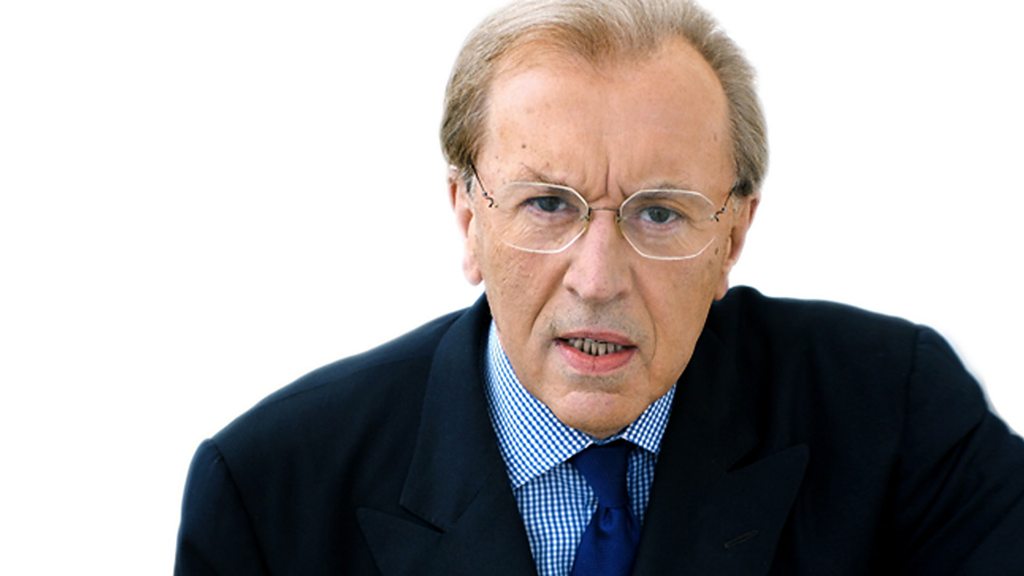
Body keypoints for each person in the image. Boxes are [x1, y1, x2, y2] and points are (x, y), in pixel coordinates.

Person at [175, 0, 1024, 574]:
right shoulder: (267, 492)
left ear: (732, 235)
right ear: (468, 219)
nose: (598, 279)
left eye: (660, 213)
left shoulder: (900, 415)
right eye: (548, 204)